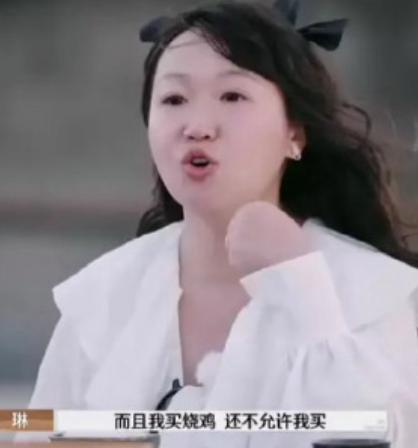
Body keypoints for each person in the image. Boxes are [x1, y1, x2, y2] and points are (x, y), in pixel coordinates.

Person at [20, 1, 418, 447]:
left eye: (232, 96)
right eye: (174, 99)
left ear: (294, 132)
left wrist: (306, 291)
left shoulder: (372, 292)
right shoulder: (105, 296)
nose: (197, 126)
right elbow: (35, 433)